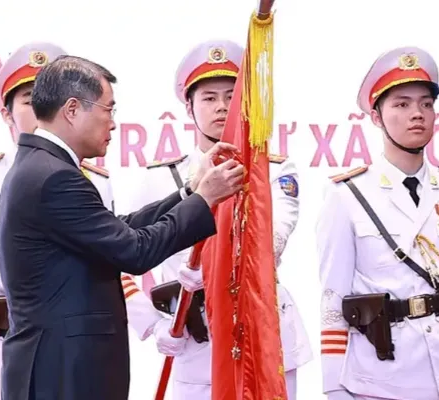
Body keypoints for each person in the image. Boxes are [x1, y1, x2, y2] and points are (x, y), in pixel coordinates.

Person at [0, 55, 245, 400]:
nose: (113, 124)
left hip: (63, 368)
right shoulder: (53, 176)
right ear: (72, 110)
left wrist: (190, 191)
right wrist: (205, 199)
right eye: (108, 109)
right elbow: (135, 251)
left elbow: (117, 230)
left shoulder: (43, 166)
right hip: (63, 373)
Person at [121, 39, 313, 399]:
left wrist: (213, 265)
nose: (222, 107)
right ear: (189, 107)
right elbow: (118, 257)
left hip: (261, 337)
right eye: (209, 98)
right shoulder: (160, 179)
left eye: (232, 97)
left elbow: (272, 239)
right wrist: (151, 324)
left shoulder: (273, 170)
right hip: (194, 341)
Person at [316, 46, 439, 400]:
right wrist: (335, 388)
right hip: (381, 374)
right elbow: (333, 300)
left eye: (426, 104)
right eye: (402, 104)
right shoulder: (347, 194)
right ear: (376, 117)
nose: (417, 114)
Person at [0, 42, 115, 400]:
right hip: (0, 360)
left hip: (74, 358)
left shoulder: (94, 181)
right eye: (29, 100)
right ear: (7, 114)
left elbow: (111, 265)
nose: (41, 110)